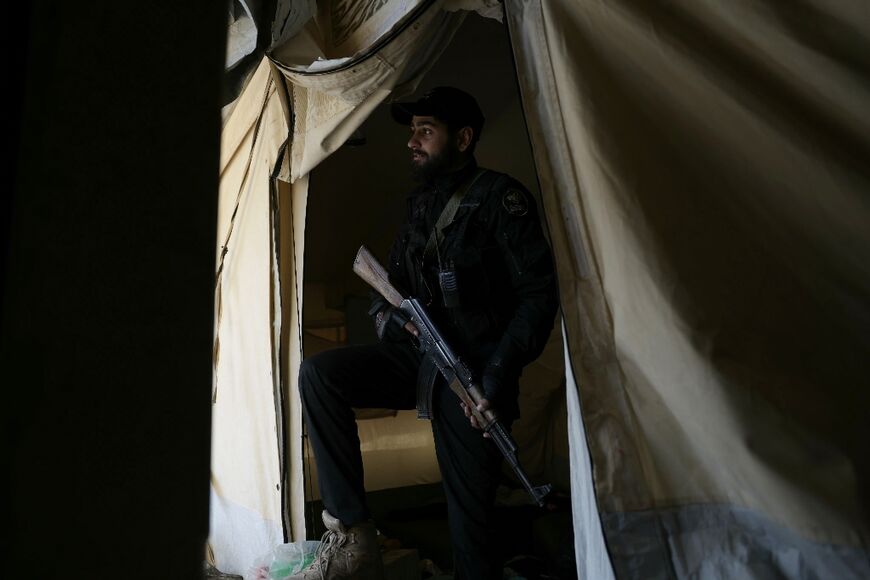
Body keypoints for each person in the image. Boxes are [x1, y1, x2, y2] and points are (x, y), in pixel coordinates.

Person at [294, 86, 559, 580]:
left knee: (472, 536)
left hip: (473, 375)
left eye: (426, 131)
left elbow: (539, 297)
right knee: (319, 374)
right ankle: (353, 535)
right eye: (413, 131)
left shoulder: (501, 200)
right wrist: (392, 319)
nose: (411, 142)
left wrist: (497, 374)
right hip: (419, 359)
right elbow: (388, 289)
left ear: (463, 138)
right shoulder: (421, 204)